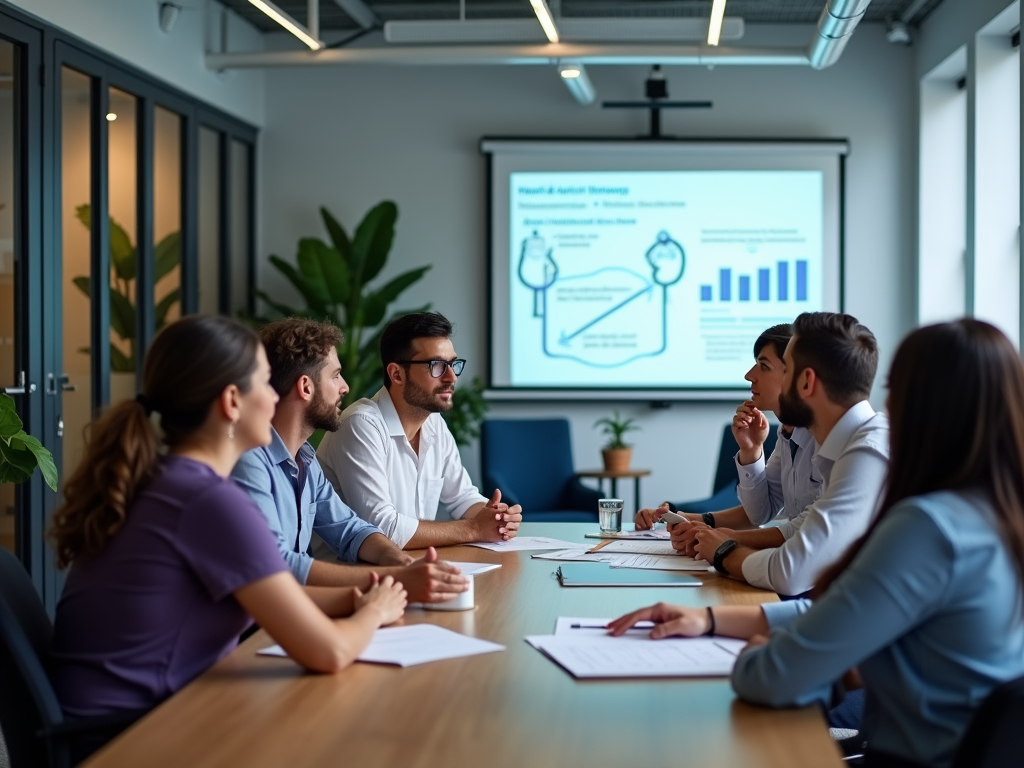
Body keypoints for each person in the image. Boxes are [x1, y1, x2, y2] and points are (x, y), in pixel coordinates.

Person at [608, 319, 1024, 768]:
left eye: (894, 389)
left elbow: (770, 677)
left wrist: (757, 649)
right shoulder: (991, 514)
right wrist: (709, 619)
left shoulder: (926, 526)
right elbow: (844, 604)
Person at [49, 316, 407, 728]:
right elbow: (330, 652)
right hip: (131, 736)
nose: (275, 398)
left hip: (136, 715)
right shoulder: (208, 500)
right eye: (263, 382)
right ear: (231, 401)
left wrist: (365, 596)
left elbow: (274, 599)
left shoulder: (171, 479)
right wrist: (374, 612)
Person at [232, 317, 469, 603]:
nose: (345, 387)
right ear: (306, 387)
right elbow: (278, 566)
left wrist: (400, 562)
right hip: (255, 630)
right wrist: (391, 579)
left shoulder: (305, 458)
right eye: (336, 376)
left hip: (291, 610)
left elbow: (351, 530)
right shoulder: (249, 461)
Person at [677, 312, 887, 598]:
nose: (750, 377)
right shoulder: (846, 446)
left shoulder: (867, 452)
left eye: (783, 369)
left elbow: (791, 571)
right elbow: (799, 529)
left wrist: (724, 549)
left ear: (806, 382)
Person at [317, 312, 522, 549]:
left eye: (453, 364)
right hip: (350, 576)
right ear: (397, 374)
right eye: (436, 366)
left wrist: (496, 516)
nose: (451, 377)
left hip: (408, 566)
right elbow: (382, 530)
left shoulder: (434, 424)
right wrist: (475, 528)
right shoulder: (361, 425)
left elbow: (463, 497)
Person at [634, 323, 823, 540]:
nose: (749, 375)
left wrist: (723, 539)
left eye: (763, 366)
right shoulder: (787, 434)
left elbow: (807, 529)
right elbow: (760, 512)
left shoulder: (824, 438)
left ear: (796, 375)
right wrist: (751, 451)